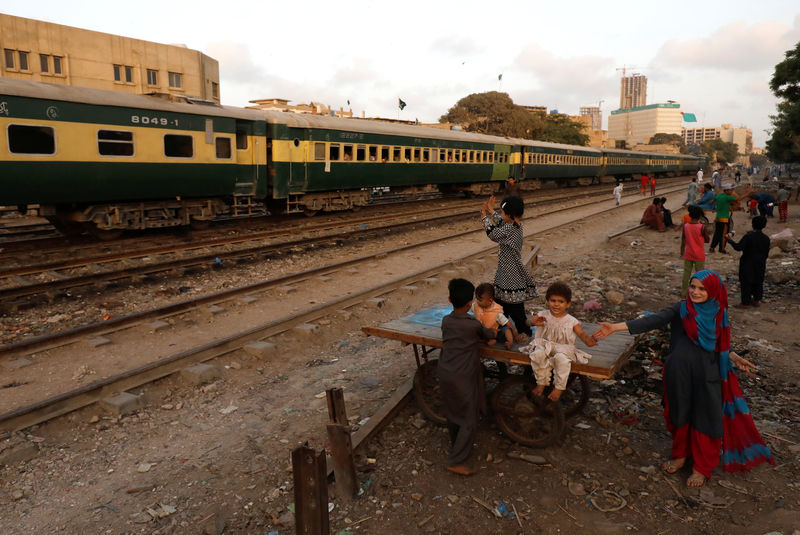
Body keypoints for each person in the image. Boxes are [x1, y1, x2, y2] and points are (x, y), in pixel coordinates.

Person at [593, 270, 773, 488]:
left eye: (702, 288)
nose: (695, 292)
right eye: (693, 287)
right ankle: (680, 455)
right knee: (680, 412)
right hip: (679, 372)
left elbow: (720, 341)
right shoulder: (681, 308)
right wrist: (615, 327)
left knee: (706, 417)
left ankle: (701, 467)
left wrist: (733, 356)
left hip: (708, 374)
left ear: (713, 291)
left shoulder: (718, 311)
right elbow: (653, 320)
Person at [438, 278, 496, 476]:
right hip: (463, 375)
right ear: (471, 303)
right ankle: (456, 460)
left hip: (445, 371)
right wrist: (495, 330)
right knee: (469, 418)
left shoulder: (446, 321)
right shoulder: (472, 324)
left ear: (449, 299)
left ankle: (456, 444)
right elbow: (487, 334)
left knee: (453, 410)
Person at [518, 282, 596, 402]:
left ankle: (559, 387)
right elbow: (528, 322)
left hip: (563, 348)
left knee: (562, 360)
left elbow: (581, 333)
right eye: (553, 300)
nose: (556, 304)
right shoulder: (543, 315)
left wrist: (588, 341)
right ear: (548, 301)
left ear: (568, 304)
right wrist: (533, 322)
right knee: (537, 355)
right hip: (544, 344)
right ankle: (542, 382)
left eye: (561, 301)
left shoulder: (571, 321)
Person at [480, 195, 537, 338]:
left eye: (503, 212)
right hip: (506, 274)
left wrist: (484, 217)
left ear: (510, 214)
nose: (502, 215)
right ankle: (500, 329)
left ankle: (523, 333)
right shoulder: (515, 226)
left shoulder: (510, 230)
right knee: (503, 307)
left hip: (510, 277)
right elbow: (502, 223)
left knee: (515, 309)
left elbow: (493, 234)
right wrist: (492, 211)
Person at [728, 216, 770, 308]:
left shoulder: (748, 236)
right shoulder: (766, 238)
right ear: (764, 225)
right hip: (760, 263)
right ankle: (756, 300)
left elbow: (738, 247)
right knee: (758, 281)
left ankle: (745, 303)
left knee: (746, 282)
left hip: (747, 262)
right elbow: (766, 253)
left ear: (753, 224)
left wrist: (730, 241)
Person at [471, 283, 518, 349]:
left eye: (480, 300)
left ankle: (509, 342)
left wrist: (515, 333)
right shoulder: (475, 306)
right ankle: (486, 340)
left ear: (490, 301)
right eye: (476, 299)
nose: (477, 301)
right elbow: (466, 308)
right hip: (481, 332)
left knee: (507, 330)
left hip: (494, 332)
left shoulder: (496, 312)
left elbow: (508, 323)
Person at [709, 184, 751, 254]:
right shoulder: (728, 197)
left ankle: (712, 247)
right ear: (726, 190)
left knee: (717, 233)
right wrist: (749, 193)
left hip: (717, 218)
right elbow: (739, 199)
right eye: (731, 190)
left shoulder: (719, 196)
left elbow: (712, 201)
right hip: (724, 219)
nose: (732, 191)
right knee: (724, 235)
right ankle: (722, 249)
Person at [680, 205, 710, 296]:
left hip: (688, 253)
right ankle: (699, 292)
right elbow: (707, 240)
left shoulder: (685, 226)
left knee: (686, 273)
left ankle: (684, 293)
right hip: (699, 254)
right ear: (699, 216)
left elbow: (683, 240)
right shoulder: (702, 227)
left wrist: (681, 252)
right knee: (700, 275)